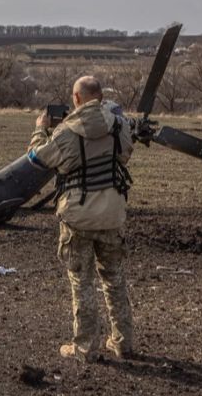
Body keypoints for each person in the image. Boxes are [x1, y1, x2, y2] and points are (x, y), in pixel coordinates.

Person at [27, 76, 135, 362]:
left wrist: (40, 131)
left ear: (76, 98)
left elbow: (38, 159)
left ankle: (86, 347)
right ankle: (123, 343)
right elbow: (125, 155)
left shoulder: (65, 132)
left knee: (82, 282)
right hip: (112, 213)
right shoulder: (119, 125)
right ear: (100, 96)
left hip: (78, 215)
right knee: (114, 279)